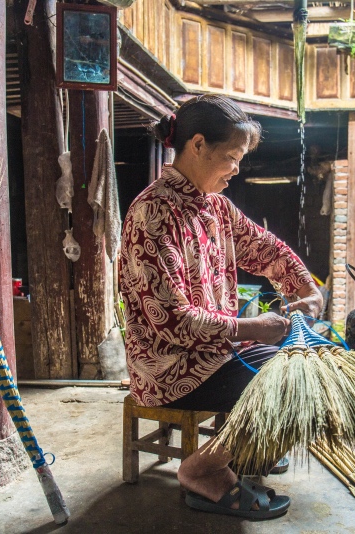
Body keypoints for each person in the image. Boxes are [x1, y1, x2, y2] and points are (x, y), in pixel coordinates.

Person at [118, 94, 323, 520]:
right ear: (197, 145)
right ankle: (203, 471)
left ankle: (245, 454)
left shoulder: (215, 206)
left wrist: (306, 288)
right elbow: (173, 322)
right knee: (289, 384)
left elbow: (265, 249)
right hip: (171, 367)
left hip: (217, 352)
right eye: (231, 157)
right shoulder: (151, 215)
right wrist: (252, 328)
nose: (236, 169)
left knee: (314, 363)